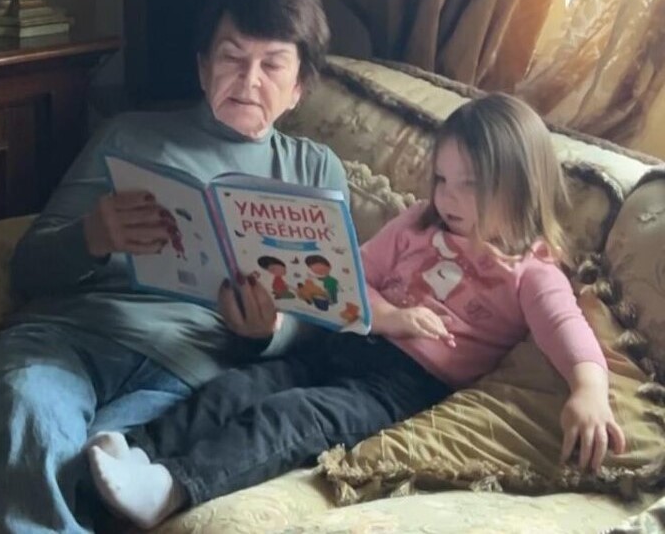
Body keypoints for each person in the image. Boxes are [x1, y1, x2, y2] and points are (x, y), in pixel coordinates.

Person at [85, 93, 626, 530]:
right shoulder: (418, 223)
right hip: (342, 342)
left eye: (470, 185)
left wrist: (589, 391)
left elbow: (567, 329)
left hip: (398, 387)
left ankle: (174, 487)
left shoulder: (530, 273)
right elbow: (348, 279)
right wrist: (387, 314)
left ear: (521, 187)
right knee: (235, 388)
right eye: (442, 180)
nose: (449, 198)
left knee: (288, 416)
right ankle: (132, 451)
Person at [0, 0, 349, 534]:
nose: (248, 80)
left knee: (92, 474)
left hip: (186, 370)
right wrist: (92, 236)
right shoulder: (128, 136)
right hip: (70, 339)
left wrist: (270, 332)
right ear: (202, 67)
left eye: (272, 65)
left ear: (299, 88)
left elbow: (332, 316)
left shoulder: (314, 171)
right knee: (31, 415)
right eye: (231, 57)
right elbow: (29, 269)